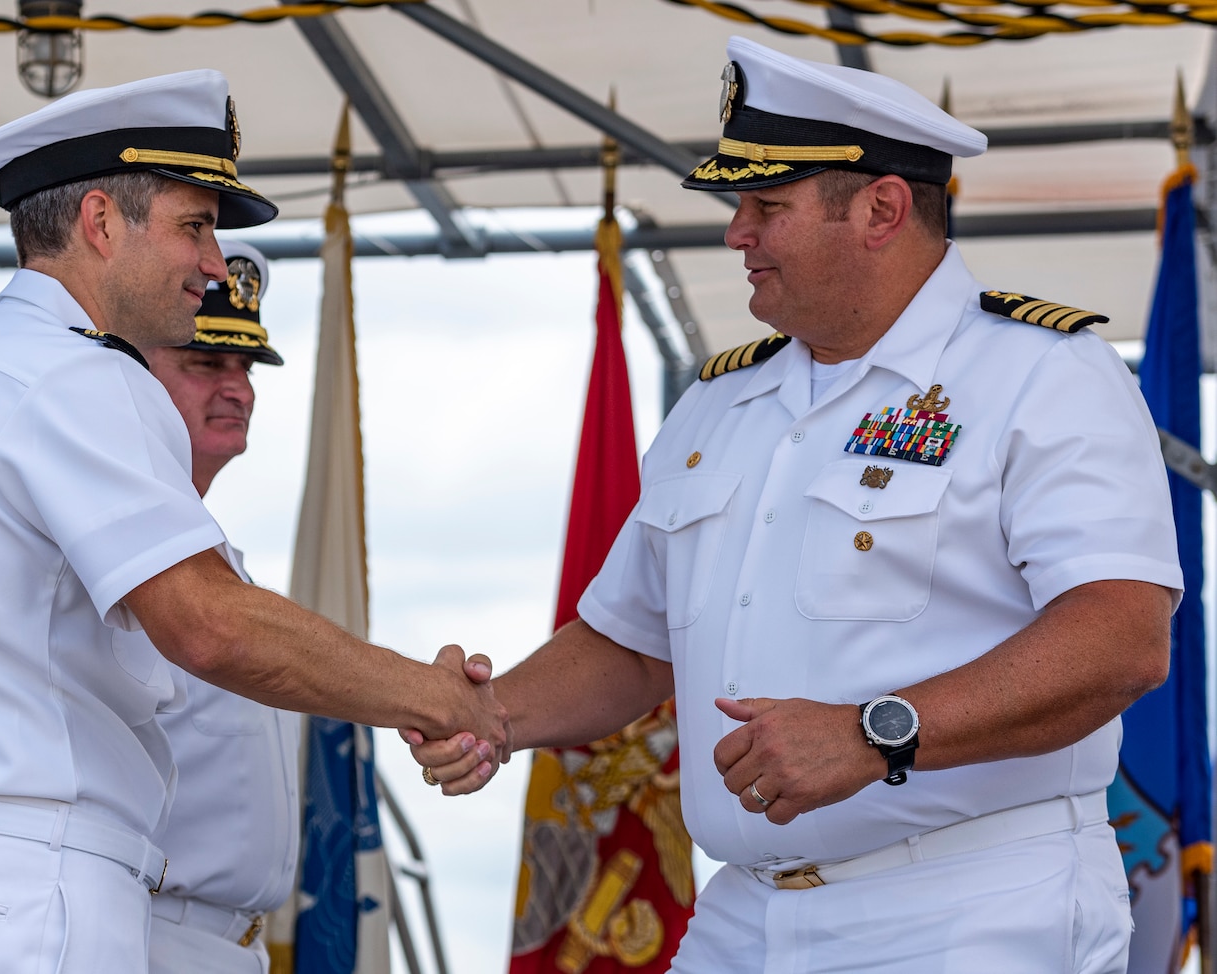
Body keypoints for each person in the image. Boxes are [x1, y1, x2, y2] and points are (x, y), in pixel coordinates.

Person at [408, 37, 1181, 973]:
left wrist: (875, 734)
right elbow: (632, 641)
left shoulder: (1042, 375)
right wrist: (493, 717)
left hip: (971, 909)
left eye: (766, 206)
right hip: (747, 915)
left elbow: (1121, 638)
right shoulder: (720, 405)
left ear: (881, 210)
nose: (736, 234)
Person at [0, 70, 506, 974]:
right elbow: (207, 623)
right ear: (100, 222)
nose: (210, 261)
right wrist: (434, 697)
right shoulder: (75, 377)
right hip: (41, 905)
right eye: (193, 226)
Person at [138, 242, 297, 973]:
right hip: (144, 931)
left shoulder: (214, 558)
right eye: (206, 365)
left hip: (227, 943)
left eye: (246, 369)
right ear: (134, 377)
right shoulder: (126, 558)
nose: (237, 388)